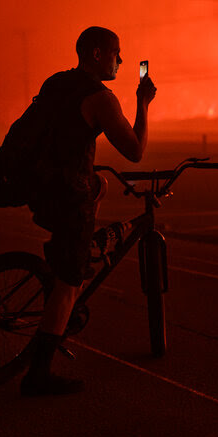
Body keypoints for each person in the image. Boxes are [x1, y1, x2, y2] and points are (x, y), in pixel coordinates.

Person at [20, 26, 156, 396]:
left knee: (102, 184)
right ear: (97, 54)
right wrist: (142, 103)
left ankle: (66, 258)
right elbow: (134, 151)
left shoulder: (57, 82)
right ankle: (38, 374)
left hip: (37, 184)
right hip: (67, 194)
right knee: (70, 282)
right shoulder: (101, 98)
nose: (122, 60)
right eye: (117, 53)